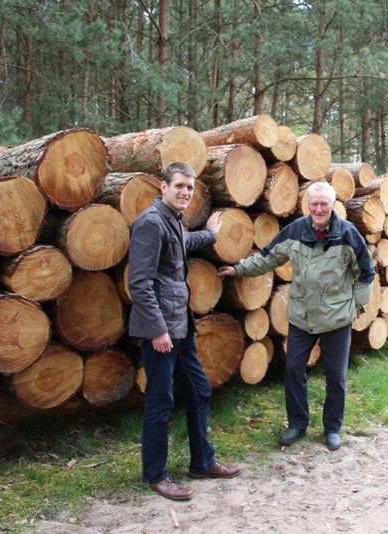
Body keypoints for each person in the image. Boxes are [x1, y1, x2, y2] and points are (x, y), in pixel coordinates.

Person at [218, 181, 374, 451]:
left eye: (324, 203)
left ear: (333, 204)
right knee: (293, 370)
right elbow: (268, 257)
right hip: (301, 315)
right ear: (307, 205)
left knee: (336, 376)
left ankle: (332, 428)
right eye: (314, 203)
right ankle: (297, 424)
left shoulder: (348, 234)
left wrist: (356, 307)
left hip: (337, 319)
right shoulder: (296, 231)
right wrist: (239, 269)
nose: (318, 208)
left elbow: (366, 274)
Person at [129, 162, 241, 501]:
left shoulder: (172, 221)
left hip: (181, 327)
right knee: (161, 402)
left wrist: (211, 234)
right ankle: (155, 475)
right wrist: (158, 330)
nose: (185, 192)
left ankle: (202, 461)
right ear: (163, 187)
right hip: (161, 332)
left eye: (189, 188)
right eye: (179, 186)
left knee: (199, 391)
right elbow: (139, 284)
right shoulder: (150, 223)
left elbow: (183, 242)